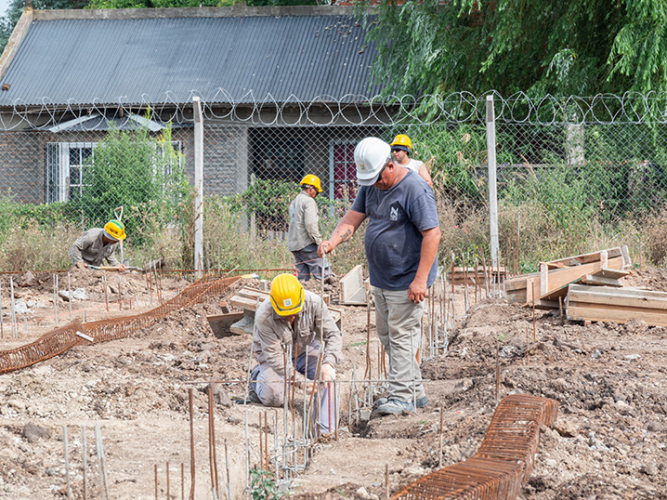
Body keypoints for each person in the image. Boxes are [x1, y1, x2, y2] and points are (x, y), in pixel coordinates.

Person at [318, 137, 441, 415]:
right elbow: (353, 217)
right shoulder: (371, 186)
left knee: (402, 337)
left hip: (406, 279)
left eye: (377, 178)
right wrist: (332, 241)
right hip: (382, 278)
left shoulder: (415, 189)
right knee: (388, 336)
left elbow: (432, 234)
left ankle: (401, 397)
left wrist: (420, 280)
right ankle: (416, 391)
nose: (374, 185)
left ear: (390, 164)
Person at [250, 273, 342, 435]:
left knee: (327, 381)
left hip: (304, 350)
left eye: (295, 312)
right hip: (274, 358)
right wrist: (300, 382)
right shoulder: (264, 316)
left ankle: (324, 433)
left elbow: (333, 334)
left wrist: (329, 363)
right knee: (273, 397)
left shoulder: (314, 302)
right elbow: (275, 358)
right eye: (286, 314)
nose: (291, 317)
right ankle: (257, 378)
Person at [288, 174, 331, 281]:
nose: (316, 195)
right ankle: (328, 294)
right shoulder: (308, 201)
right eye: (316, 191)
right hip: (307, 244)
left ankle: (304, 296)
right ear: (311, 189)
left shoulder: (294, 202)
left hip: (295, 245)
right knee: (324, 275)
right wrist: (319, 242)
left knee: (302, 280)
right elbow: (310, 224)